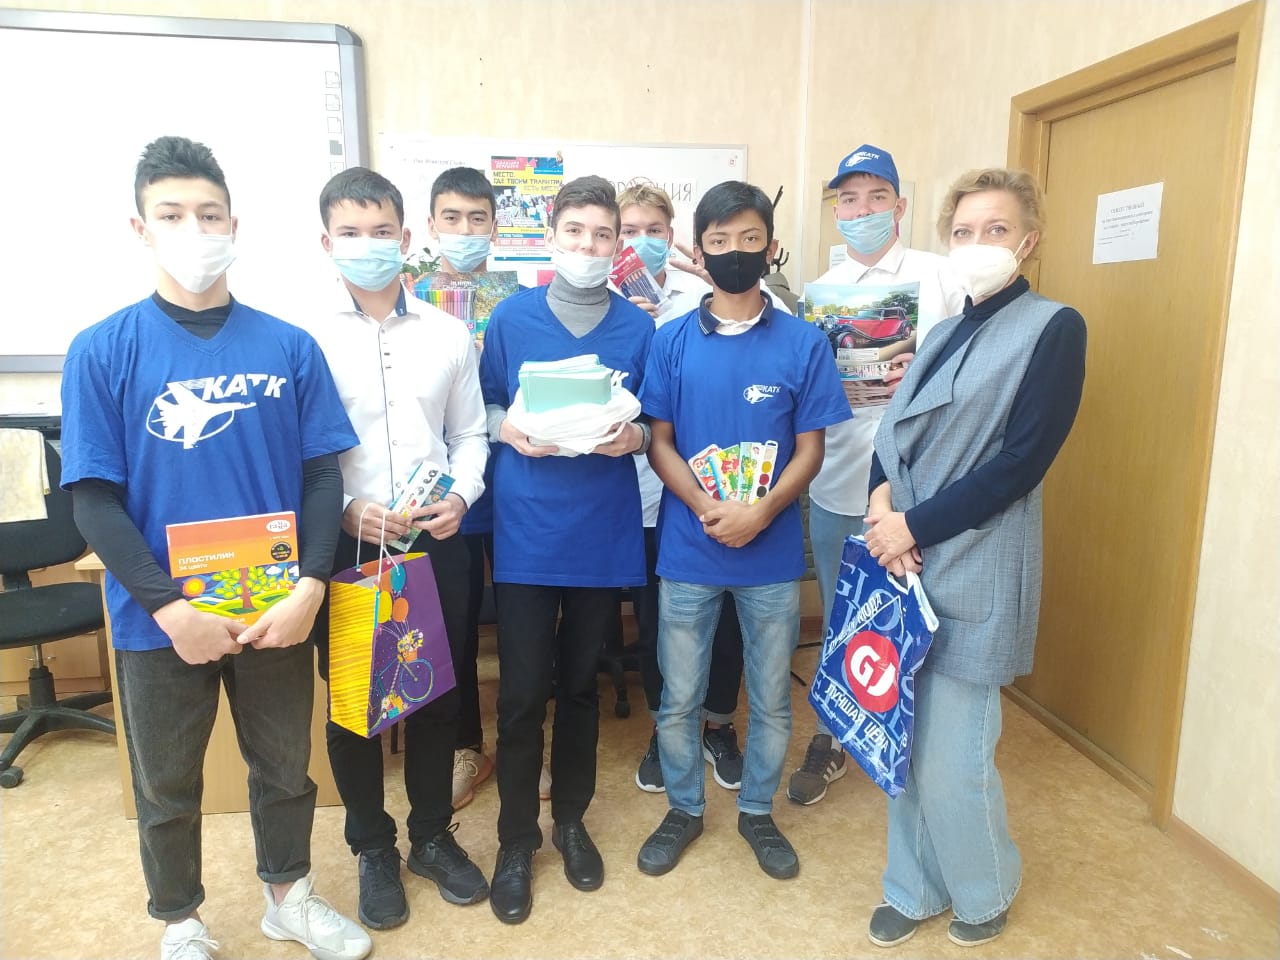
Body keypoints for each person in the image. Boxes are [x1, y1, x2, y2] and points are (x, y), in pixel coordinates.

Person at [59, 136, 370, 960]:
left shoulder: (288, 346)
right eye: (171, 215)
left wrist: (310, 585)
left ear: (235, 224)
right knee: (166, 782)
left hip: (276, 607)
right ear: (140, 229)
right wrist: (170, 608)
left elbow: (321, 475)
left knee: (285, 766)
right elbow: (92, 500)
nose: (193, 230)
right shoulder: (103, 349)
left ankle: (289, 900)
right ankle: (182, 922)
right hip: (160, 620)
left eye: (209, 214)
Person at [862, 168, 1086, 949]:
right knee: (903, 744)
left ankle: (984, 888)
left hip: (977, 559)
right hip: (906, 561)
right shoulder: (941, 331)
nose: (977, 243)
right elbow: (893, 431)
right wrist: (880, 503)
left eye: (997, 229)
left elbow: (1021, 462)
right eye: (963, 231)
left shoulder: (1053, 329)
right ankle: (913, 886)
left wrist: (911, 526)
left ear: (1029, 241)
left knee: (954, 758)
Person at [635, 181, 851, 881]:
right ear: (699, 252)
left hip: (771, 552)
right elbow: (658, 441)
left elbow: (811, 449)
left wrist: (761, 510)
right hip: (689, 548)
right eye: (720, 241)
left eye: (750, 239)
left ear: (771, 247)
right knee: (679, 698)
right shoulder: (670, 341)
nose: (735, 252)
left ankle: (757, 811)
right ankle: (684, 809)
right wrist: (707, 506)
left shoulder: (803, 342)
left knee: (770, 698)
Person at [306, 167, 491, 932]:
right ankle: (373, 847)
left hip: (433, 542)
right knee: (357, 708)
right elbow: (300, 454)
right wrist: (348, 510)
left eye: (382, 231)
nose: (368, 244)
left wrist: (462, 495)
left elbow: (469, 434)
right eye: (351, 233)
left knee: (437, 695)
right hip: (349, 547)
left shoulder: (449, 335)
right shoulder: (304, 339)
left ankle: (431, 837)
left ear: (406, 238)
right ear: (327, 243)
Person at [478, 175, 654, 924]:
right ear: (551, 236)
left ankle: (571, 821)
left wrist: (634, 437)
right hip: (526, 527)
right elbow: (485, 402)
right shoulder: (511, 319)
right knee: (522, 693)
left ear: (618, 244)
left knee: (581, 686)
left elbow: (657, 423)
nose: (588, 245)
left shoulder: (638, 328)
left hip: (601, 530)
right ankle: (517, 839)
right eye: (575, 231)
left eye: (602, 234)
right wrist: (508, 429)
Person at [789, 144, 968, 806]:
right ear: (836, 211)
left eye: (875, 197)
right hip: (839, 477)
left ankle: (920, 742)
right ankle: (833, 735)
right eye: (848, 200)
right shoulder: (820, 292)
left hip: (922, 485)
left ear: (900, 204)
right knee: (845, 609)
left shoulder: (940, 277)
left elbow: (970, 373)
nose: (861, 210)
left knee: (923, 612)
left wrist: (919, 370)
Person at [615, 182, 750, 794]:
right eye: (628, 230)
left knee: (723, 620)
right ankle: (666, 727)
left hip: (708, 488)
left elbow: (771, 327)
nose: (640, 241)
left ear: (671, 236)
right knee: (655, 623)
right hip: (637, 496)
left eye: (653, 229)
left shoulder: (702, 296)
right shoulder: (602, 301)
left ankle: (719, 724)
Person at [424, 165, 503, 810]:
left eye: (477, 218)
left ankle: (526, 743)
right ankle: (464, 746)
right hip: (442, 499)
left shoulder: (519, 303)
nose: (465, 229)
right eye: (452, 218)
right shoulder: (410, 303)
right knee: (453, 630)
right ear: (430, 225)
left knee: (527, 624)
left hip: (515, 488)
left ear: (495, 227)